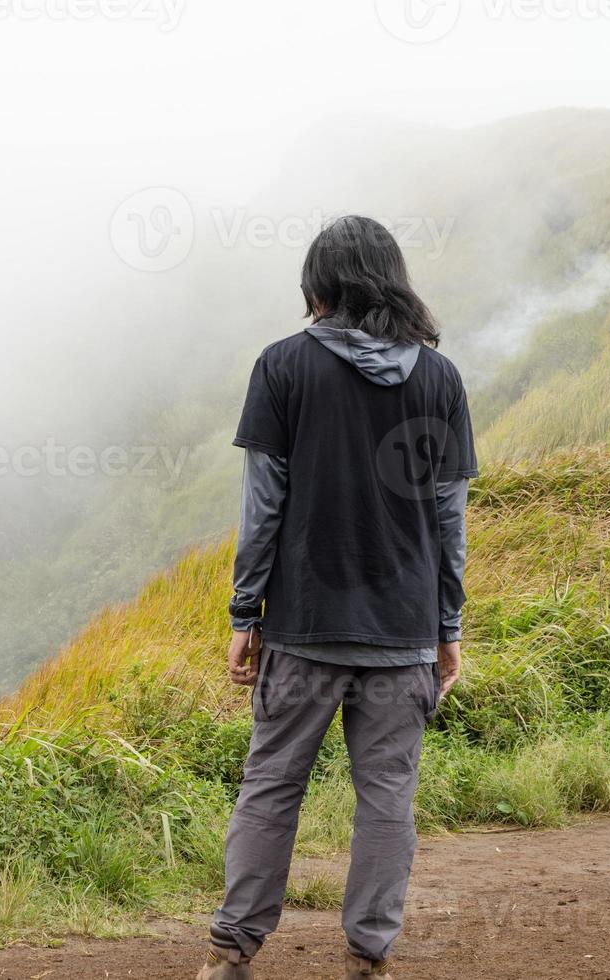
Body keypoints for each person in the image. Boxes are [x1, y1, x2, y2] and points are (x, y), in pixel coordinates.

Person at [198, 215, 477, 980]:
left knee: (271, 786)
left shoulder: (282, 366)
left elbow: (264, 508)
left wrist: (243, 613)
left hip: (303, 626)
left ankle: (231, 954)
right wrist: (447, 624)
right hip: (405, 629)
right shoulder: (440, 377)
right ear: (393, 281)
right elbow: (449, 520)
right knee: (388, 797)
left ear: (318, 285)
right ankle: (368, 957)